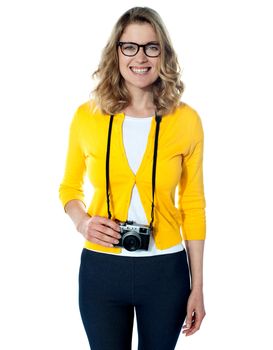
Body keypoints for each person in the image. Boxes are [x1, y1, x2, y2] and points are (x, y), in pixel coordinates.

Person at [59, 6, 206, 350]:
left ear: (163, 54)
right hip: (101, 270)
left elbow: (193, 204)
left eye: (151, 47)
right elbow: (68, 187)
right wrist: (83, 222)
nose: (140, 57)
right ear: (116, 51)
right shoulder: (87, 116)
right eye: (130, 46)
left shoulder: (186, 120)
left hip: (165, 272)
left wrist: (197, 286)